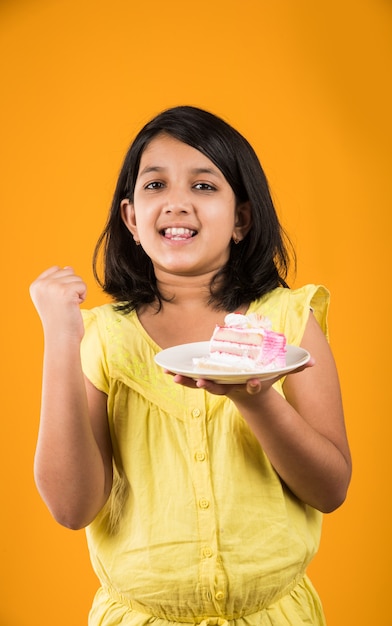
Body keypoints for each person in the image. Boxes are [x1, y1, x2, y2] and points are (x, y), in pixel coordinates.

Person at [30, 105, 351, 626]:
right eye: (155, 186)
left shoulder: (289, 321)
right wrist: (61, 338)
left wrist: (255, 397)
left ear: (241, 219)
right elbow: (72, 508)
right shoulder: (103, 337)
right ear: (132, 219)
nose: (177, 203)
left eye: (203, 187)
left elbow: (330, 488)